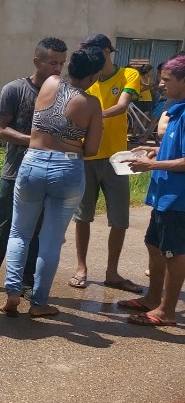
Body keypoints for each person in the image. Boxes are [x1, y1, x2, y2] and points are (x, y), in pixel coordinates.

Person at [0, 46, 105, 317]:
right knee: (50, 239)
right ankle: (38, 303)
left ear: (69, 66)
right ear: (92, 76)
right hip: (67, 169)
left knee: (19, 232)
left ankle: (12, 293)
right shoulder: (92, 103)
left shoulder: (49, 83)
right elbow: (92, 149)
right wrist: (71, 145)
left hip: (33, 161)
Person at [0, 38, 68, 296]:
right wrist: (37, 141)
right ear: (37, 61)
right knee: (4, 226)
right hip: (15, 171)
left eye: (62, 63)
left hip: (48, 172)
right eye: (52, 62)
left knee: (37, 229)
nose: (58, 68)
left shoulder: (64, 94)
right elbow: (2, 130)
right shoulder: (15, 89)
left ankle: (26, 278)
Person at [68, 33, 143, 293]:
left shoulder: (128, 75)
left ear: (108, 52)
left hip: (117, 158)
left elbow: (122, 106)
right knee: (83, 216)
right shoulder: (86, 79)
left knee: (119, 218)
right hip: (87, 155)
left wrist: (93, 115)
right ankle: (81, 268)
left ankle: (112, 272)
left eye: (97, 54)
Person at [118, 53, 185, 327]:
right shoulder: (176, 110)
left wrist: (151, 165)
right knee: (154, 244)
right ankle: (152, 299)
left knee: (173, 253)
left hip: (178, 200)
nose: (160, 85)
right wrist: (153, 150)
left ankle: (166, 311)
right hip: (164, 196)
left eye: (167, 80)